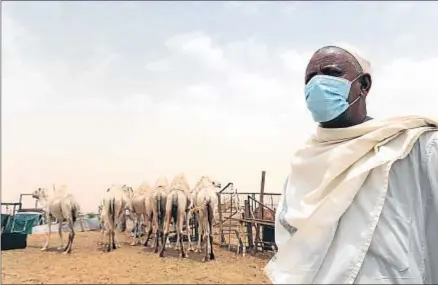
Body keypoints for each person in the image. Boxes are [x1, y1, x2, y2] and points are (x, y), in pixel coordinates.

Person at [265, 45, 438, 284]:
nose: (317, 83)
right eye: (310, 78)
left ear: (364, 85)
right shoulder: (303, 164)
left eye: (331, 72)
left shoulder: (416, 147)